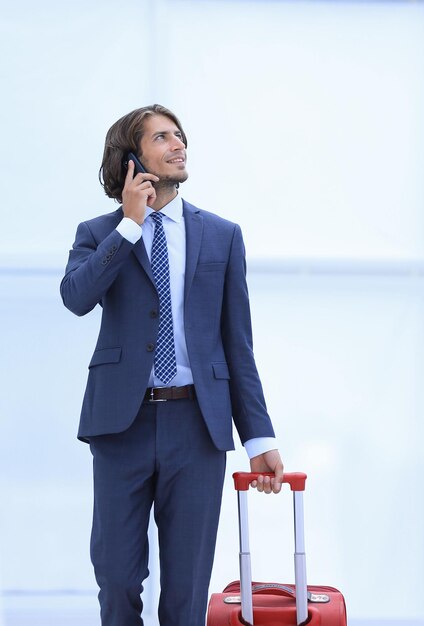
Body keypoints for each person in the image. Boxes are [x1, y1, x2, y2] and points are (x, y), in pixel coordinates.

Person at [60, 104, 284, 626]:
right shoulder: (99, 232)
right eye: (162, 137)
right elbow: (76, 297)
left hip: (196, 427)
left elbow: (237, 344)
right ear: (132, 160)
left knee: (186, 597)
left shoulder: (222, 236)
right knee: (116, 582)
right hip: (121, 425)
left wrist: (259, 439)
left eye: (180, 136)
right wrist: (130, 227)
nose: (178, 144)